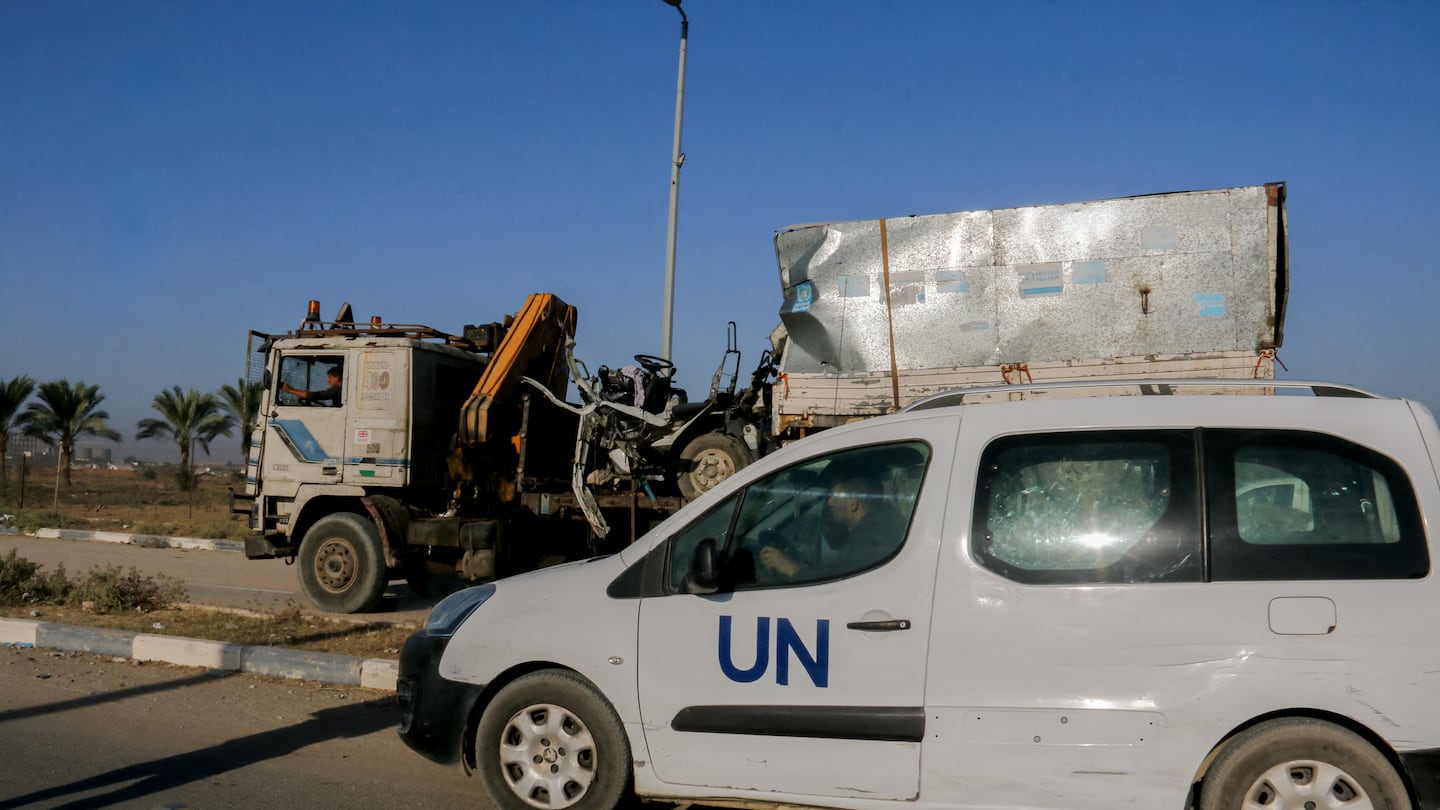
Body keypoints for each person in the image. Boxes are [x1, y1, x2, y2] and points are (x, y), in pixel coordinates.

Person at [759, 470, 907, 581]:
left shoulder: (868, 540)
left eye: (834, 496)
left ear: (852, 504)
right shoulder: (880, 528)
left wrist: (792, 569)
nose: (829, 502)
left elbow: (837, 584)